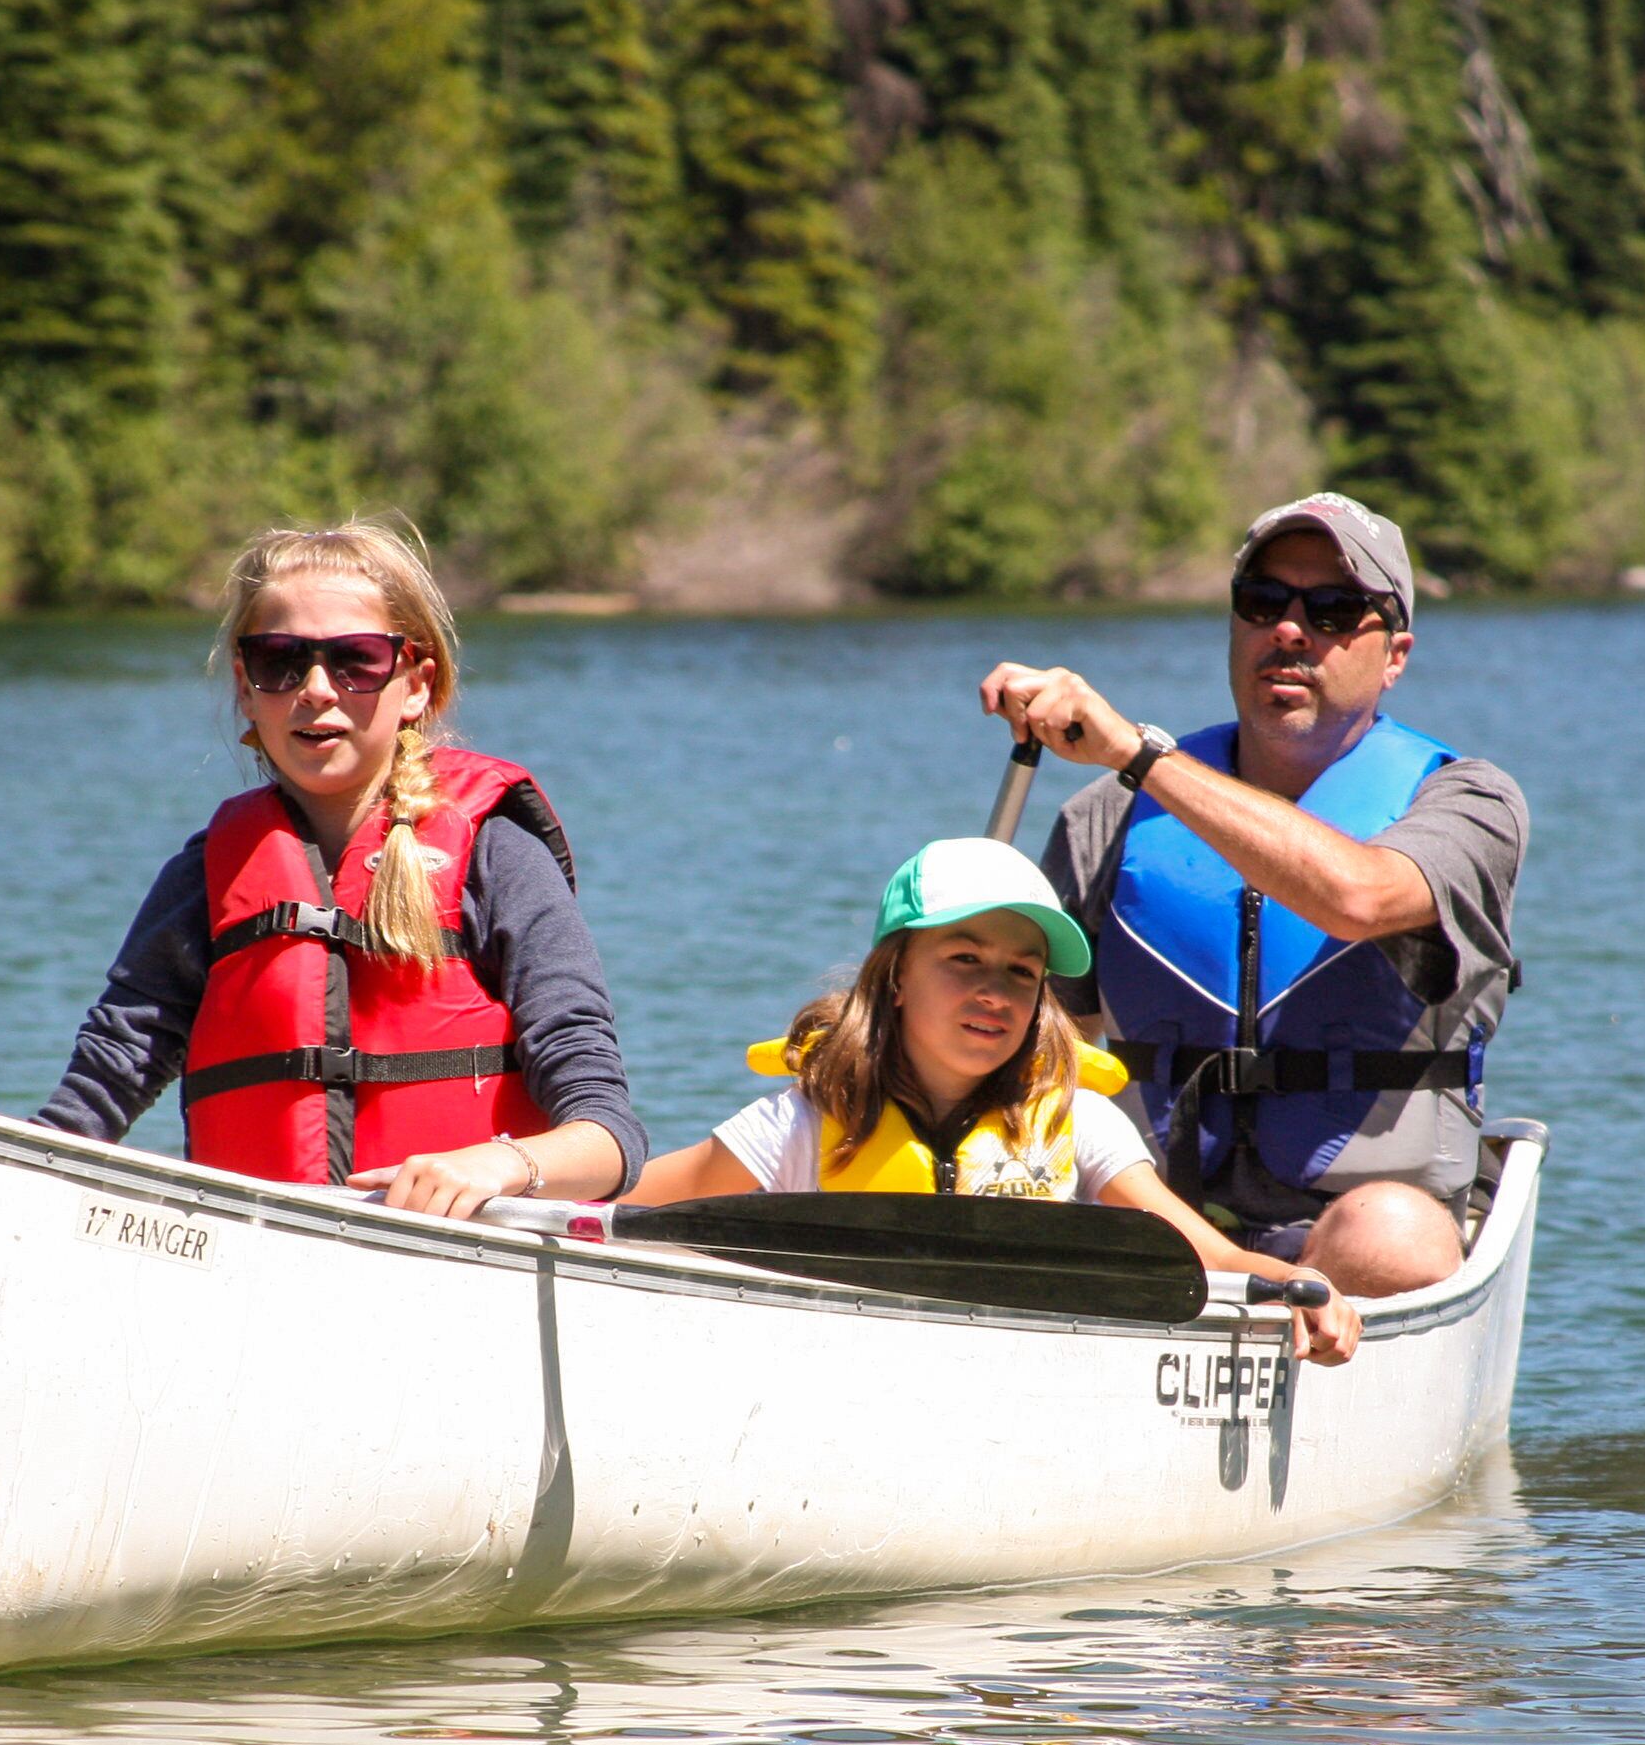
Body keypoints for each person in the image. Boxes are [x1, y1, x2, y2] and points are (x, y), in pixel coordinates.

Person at [976, 493, 1523, 1297]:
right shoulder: (1107, 816)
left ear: (1395, 653)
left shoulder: (1468, 803)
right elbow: (1042, 1038)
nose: (1291, 631)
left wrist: (1136, 752)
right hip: (1156, 1219)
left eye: (1335, 610)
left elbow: (1357, 897)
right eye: (1263, 602)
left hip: (1357, 1223)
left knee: (1390, 1237)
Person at [37, 518, 645, 1216]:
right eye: (280, 660)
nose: (317, 688)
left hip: (465, 1261)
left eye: (355, 659)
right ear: (245, 685)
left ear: (417, 684)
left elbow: (611, 1138)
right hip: (258, 1260)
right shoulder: (207, 874)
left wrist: (500, 1164)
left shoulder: (497, 854)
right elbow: (91, 1101)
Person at [634, 838, 1362, 1365]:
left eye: (1022, 971)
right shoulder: (802, 1120)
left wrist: (1294, 1280)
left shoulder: (1080, 1122)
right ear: (894, 976)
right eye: (964, 959)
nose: (995, 992)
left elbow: (1194, 1247)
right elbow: (628, 1212)